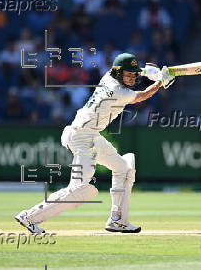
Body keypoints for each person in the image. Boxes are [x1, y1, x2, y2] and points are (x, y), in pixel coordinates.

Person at [15, 53, 175, 233]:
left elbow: (135, 75)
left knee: (124, 168)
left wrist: (148, 71)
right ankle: (29, 217)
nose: (131, 78)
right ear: (118, 73)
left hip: (89, 136)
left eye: (134, 75)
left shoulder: (107, 76)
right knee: (79, 191)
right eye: (128, 75)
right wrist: (161, 82)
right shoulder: (118, 92)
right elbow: (142, 96)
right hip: (83, 138)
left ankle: (118, 220)